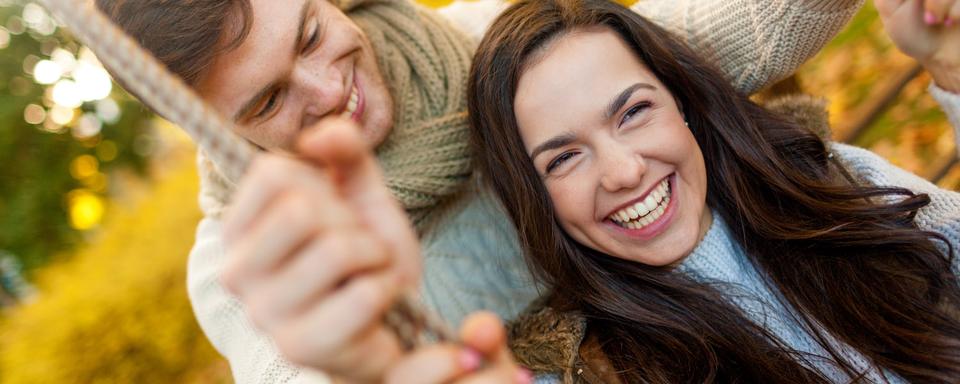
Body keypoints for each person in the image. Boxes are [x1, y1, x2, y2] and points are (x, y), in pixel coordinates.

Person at [94, 0, 866, 382]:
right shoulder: (244, 262)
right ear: (205, 127)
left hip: (771, 316)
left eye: (309, 34)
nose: (331, 89)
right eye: (267, 102)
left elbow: (719, 42)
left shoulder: (477, 38)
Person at [383, 0, 960, 382]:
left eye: (633, 112)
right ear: (535, 200)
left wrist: (951, 69)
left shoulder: (829, 183)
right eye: (563, 157)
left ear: (681, 103)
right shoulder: (584, 370)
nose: (623, 172)